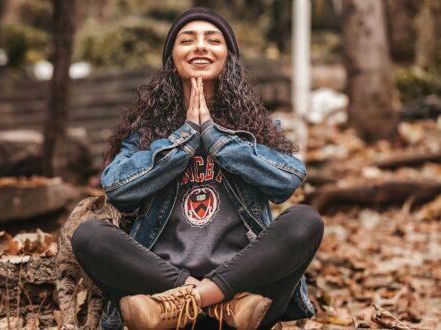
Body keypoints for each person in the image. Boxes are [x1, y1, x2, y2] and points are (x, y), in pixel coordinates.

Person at [71, 7, 324, 330]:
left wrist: (217, 139)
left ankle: (202, 299)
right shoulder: (146, 133)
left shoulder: (256, 128)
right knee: (89, 235)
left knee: (305, 220)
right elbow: (118, 188)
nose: (201, 46)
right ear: (172, 60)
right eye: (187, 40)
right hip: (160, 289)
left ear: (227, 57)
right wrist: (186, 138)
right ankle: (209, 302)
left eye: (213, 40)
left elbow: (288, 179)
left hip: (247, 297)